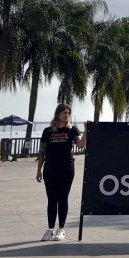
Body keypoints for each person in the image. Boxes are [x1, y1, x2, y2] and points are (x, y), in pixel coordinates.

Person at [36, 103, 86, 240]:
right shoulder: (48, 131)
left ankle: (61, 229)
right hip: (50, 169)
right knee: (51, 199)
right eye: (64, 113)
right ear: (57, 114)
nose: (67, 115)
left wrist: (86, 131)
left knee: (62, 199)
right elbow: (42, 152)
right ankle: (50, 229)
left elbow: (81, 146)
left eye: (68, 113)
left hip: (66, 169)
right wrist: (39, 170)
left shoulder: (72, 130)